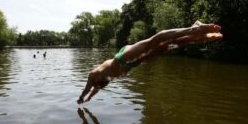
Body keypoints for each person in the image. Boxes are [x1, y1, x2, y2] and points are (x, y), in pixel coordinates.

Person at [77, 21, 223, 104]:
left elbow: (87, 88)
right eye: (99, 85)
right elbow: (94, 90)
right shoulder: (101, 81)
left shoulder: (93, 75)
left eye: (97, 84)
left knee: (155, 40)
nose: (97, 85)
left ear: (96, 80)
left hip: (123, 57)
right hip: (135, 63)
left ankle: (194, 29)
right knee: (167, 47)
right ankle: (198, 36)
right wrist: (89, 98)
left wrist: (81, 97)